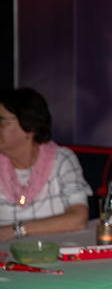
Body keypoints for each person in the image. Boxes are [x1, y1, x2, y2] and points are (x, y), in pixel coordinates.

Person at [0, 88, 92, 241]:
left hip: (54, 251)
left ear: (30, 126)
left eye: (1, 120)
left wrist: (14, 230)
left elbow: (78, 219)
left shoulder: (61, 160)